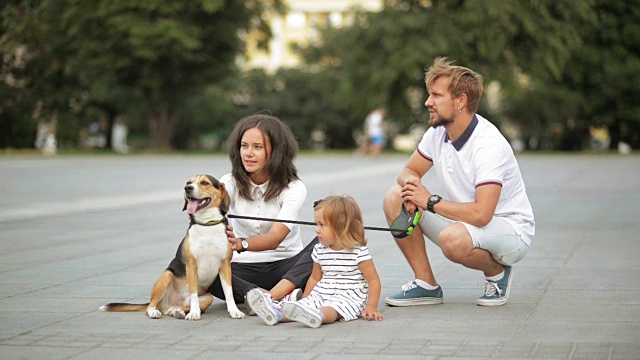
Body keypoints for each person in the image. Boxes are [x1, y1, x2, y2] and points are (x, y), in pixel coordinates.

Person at [383, 57, 535, 307]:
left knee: (452, 240)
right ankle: (426, 285)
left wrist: (429, 201)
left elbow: (482, 214)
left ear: (460, 101)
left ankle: (498, 272)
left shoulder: (488, 144)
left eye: (436, 95)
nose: (427, 102)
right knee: (395, 196)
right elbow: (410, 169)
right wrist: (413, 188)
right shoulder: (437, 133)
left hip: (511, 231)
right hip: (466, 220)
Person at [207, 113, 318, 311]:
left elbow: (276, 237)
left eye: (257, 147)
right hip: (242, 268)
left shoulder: (294, 187)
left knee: (326, 243)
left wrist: (241, 243)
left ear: (276, 151)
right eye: (244, 146)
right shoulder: (228, 183)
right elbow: (208, 214)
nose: (248, 153)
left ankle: (265, 297)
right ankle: (272, 296)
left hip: (287, 265)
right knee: (206, 267)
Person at [247, 195, 384, 328]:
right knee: (305, 305)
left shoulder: (358, 252)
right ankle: (276, 314)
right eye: (316, 224)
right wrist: (305, 301)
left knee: (333, 309)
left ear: (341, 227)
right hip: (323, 291)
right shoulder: (319, 250)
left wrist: (371, 306)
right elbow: (314, 277)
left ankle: (319, 315)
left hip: (348, 295)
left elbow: (373, 281)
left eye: (322, 225)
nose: (317, 230)